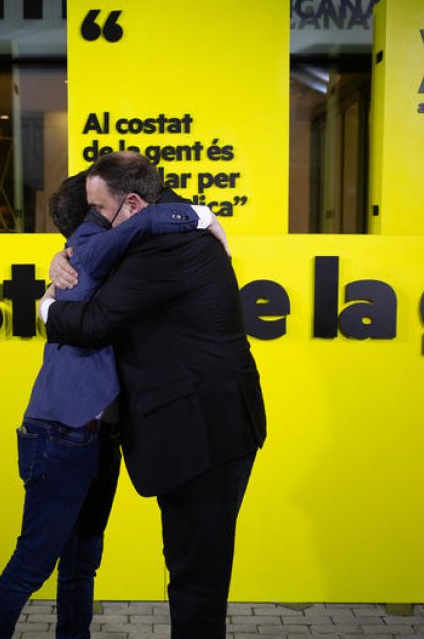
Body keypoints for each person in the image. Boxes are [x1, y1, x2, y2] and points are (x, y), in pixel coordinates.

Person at [0, 170, 225, 639]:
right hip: (61, 435)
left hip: (95, 436)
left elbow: (140, 224)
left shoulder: (92, 255)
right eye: (99, 207)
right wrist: (202, 214)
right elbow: (151, 220)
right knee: (34, 563)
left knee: (82, 561)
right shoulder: (89, 249)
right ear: (90, 219)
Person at [41, 151, 267, 639]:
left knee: (197, 581)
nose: (94, 222)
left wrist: (46, 307)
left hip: (206, 433)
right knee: (190, 569)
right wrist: (66, 256)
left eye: (99, 211)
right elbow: (103, 253)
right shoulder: (158, 228)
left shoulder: (168, 246)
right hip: (196, 428)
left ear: (135, 203)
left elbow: (95, 321)